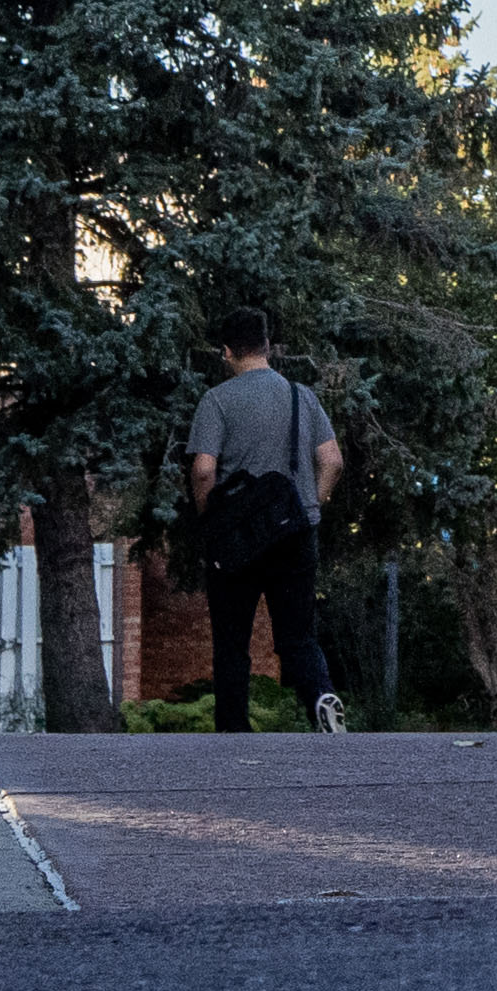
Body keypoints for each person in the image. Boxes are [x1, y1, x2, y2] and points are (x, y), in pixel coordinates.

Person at [181, 304, 350, 736]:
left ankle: (234, 733)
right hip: (294, 532)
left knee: (233, 642)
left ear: (226, 352)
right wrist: (313, 505)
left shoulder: (216, 400)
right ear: (268, 346)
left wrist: (210, 520)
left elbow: (203, 469)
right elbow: (331, 460)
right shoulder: (301, 396)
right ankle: (320, 696)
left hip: (236, 539)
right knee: (297, 635)